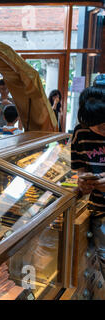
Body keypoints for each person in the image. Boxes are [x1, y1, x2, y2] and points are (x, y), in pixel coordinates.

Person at [71, 85, 105, 278]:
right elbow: (80, 171)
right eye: (99, 126)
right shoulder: (80, 134)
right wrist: (82, 183)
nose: (104, 130)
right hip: (99, 210)